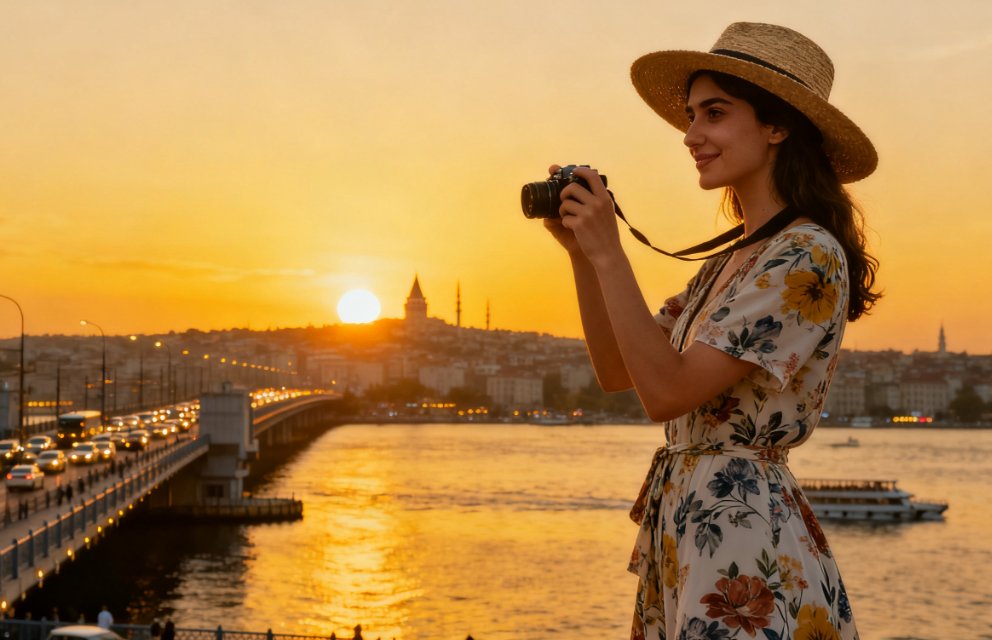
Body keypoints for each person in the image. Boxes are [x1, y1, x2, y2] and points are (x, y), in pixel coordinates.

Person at [541, 22, 878, 639]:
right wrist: (583, 257)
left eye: (714, 114)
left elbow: (667, 394)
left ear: (777, 126)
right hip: (697, 521)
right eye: (692, 116)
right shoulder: (726, 265)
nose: (691, 136)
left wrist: (613, 255)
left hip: (744, 538)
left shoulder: (806, 255)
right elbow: (622, 371)